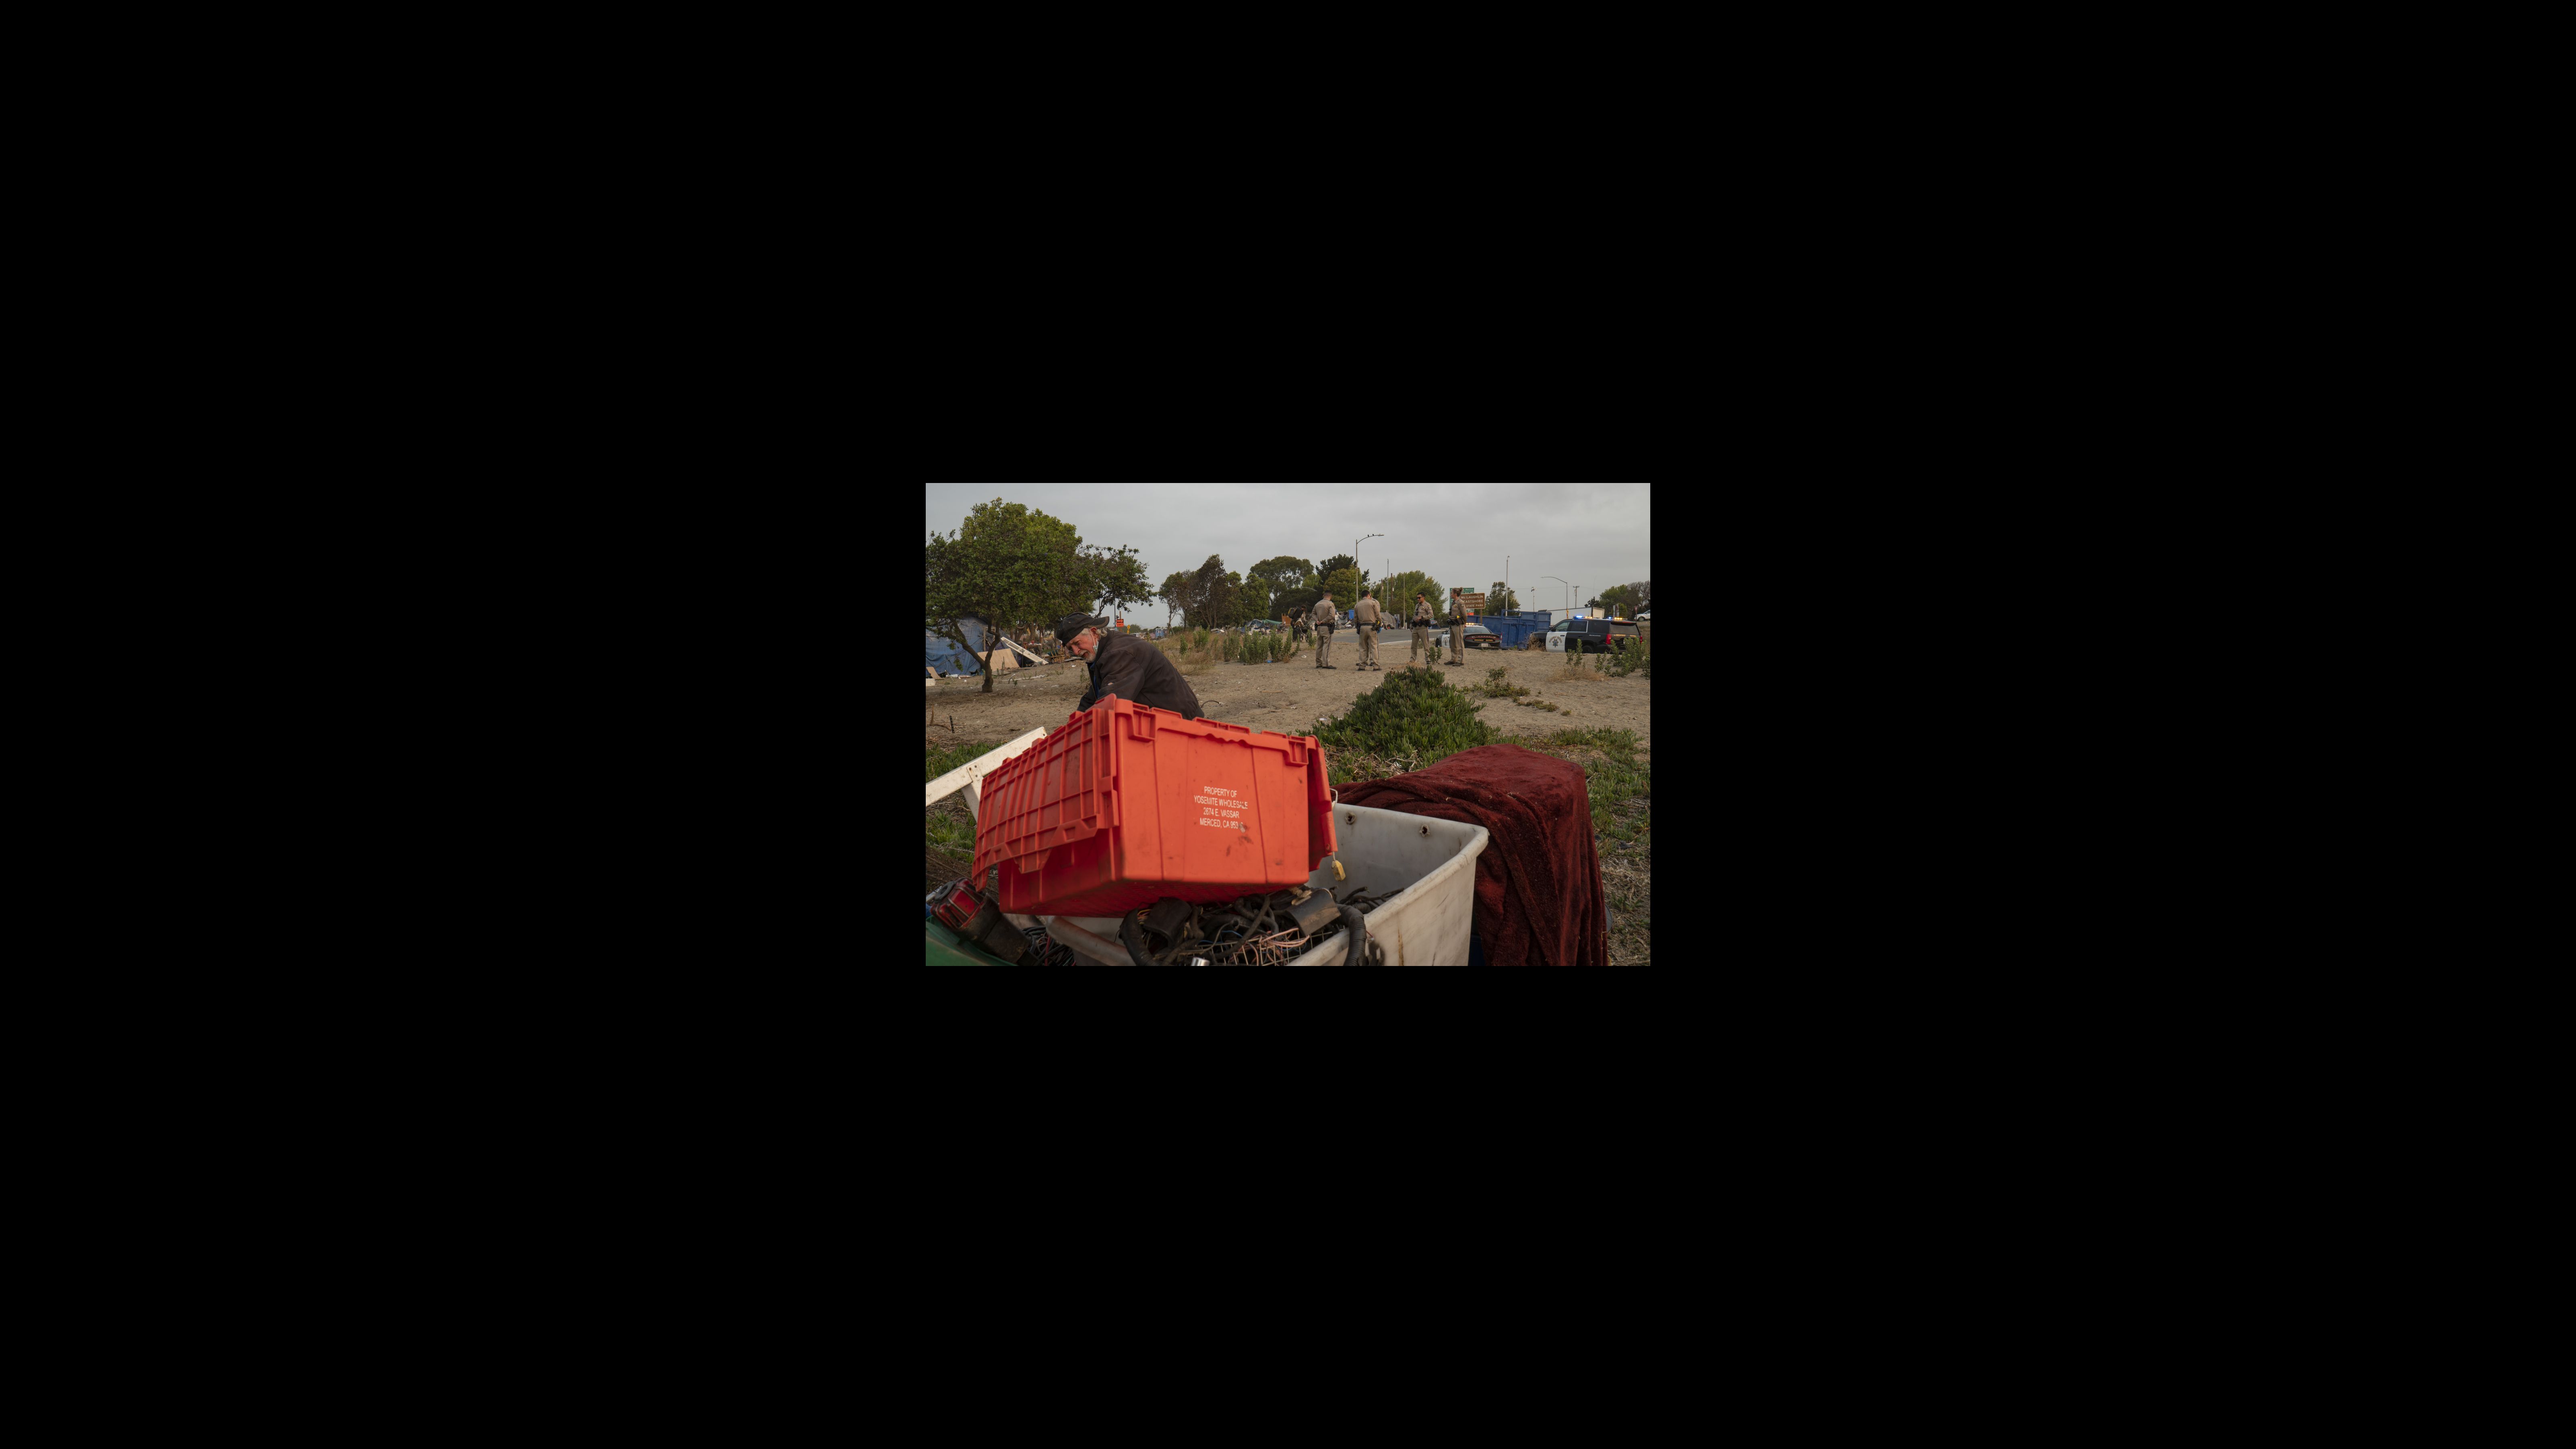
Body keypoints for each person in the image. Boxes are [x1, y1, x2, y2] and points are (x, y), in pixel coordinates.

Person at [1057, 613, 1202, 718]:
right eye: (1070, 648)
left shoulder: (1119, 654)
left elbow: (1111, 703)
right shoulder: (1103, 651)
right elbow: (1095, 695)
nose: (1076, 651)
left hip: (1185, 724)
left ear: (1094, 633)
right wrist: (1075, 723)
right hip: (1165, 721)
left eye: (1077, 643)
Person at [1352, 588, 1381, 670]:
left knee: (1363, 648)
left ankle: (1362, 666)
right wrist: (1379, 624)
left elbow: (1355, 619)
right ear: (1368, 595)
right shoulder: (1373, 603)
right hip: (1372, 627)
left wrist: (1358, 627)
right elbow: (1378, 616)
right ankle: (1376, 666)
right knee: (1374, 647)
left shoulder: (1357, 605)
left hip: (1362, 628)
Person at [1309, 592, 1338, 669]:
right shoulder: (1330, 604)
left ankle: (1319, 663)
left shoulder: (1317, 604)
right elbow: (1332, 615)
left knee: (1319, 646)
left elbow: (1313, 614)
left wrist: (1317, 620)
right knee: (1327, 646)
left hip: (1319, 627)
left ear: (1324, 596)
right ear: (1331, 596)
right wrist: (1324, 621)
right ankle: (1326, 664)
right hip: (1327, 627)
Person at [1411, 593, 1432, 664]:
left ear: (1424, 598)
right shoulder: (1417, 606)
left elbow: (1431, 615)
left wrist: (1423, 617)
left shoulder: (1427, 605)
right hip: (1415, 627)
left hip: (1423, 627)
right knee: (1414, 645)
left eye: (1419, 598)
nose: (1418, 599)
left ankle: (1428, 659)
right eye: (1417, 598)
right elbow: (1414, 616)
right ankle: (1413, 659)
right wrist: (1411, 624)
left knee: (1426, 645)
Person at [1448, 588, 1468, 666]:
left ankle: (1461, 661)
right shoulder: (1453, 603)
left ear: (1456, 594)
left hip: (1458, 625)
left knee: (1459, 643)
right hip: (1453, 625)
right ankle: (1454, 659)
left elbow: (1464, 615)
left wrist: (1463, 622)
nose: (1451, 594)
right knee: (1453, 644)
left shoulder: (1461, 603)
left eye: (1452, 593)